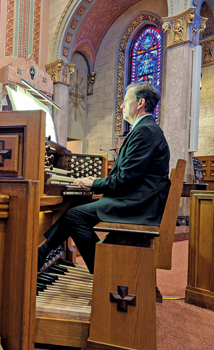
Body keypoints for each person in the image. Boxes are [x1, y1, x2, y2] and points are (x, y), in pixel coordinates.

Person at [38, 82, 170, 274]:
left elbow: (123, 180)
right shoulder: (146, 129)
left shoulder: (145, 132)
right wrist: (95, 184)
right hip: (138, 199)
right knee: (75, 205)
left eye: (125, 101)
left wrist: (94, 183)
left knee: (75, 217)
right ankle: (43, 252)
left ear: (140, 103)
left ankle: (104, 273)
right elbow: (126, 176)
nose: (122, 106)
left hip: (138, 205)